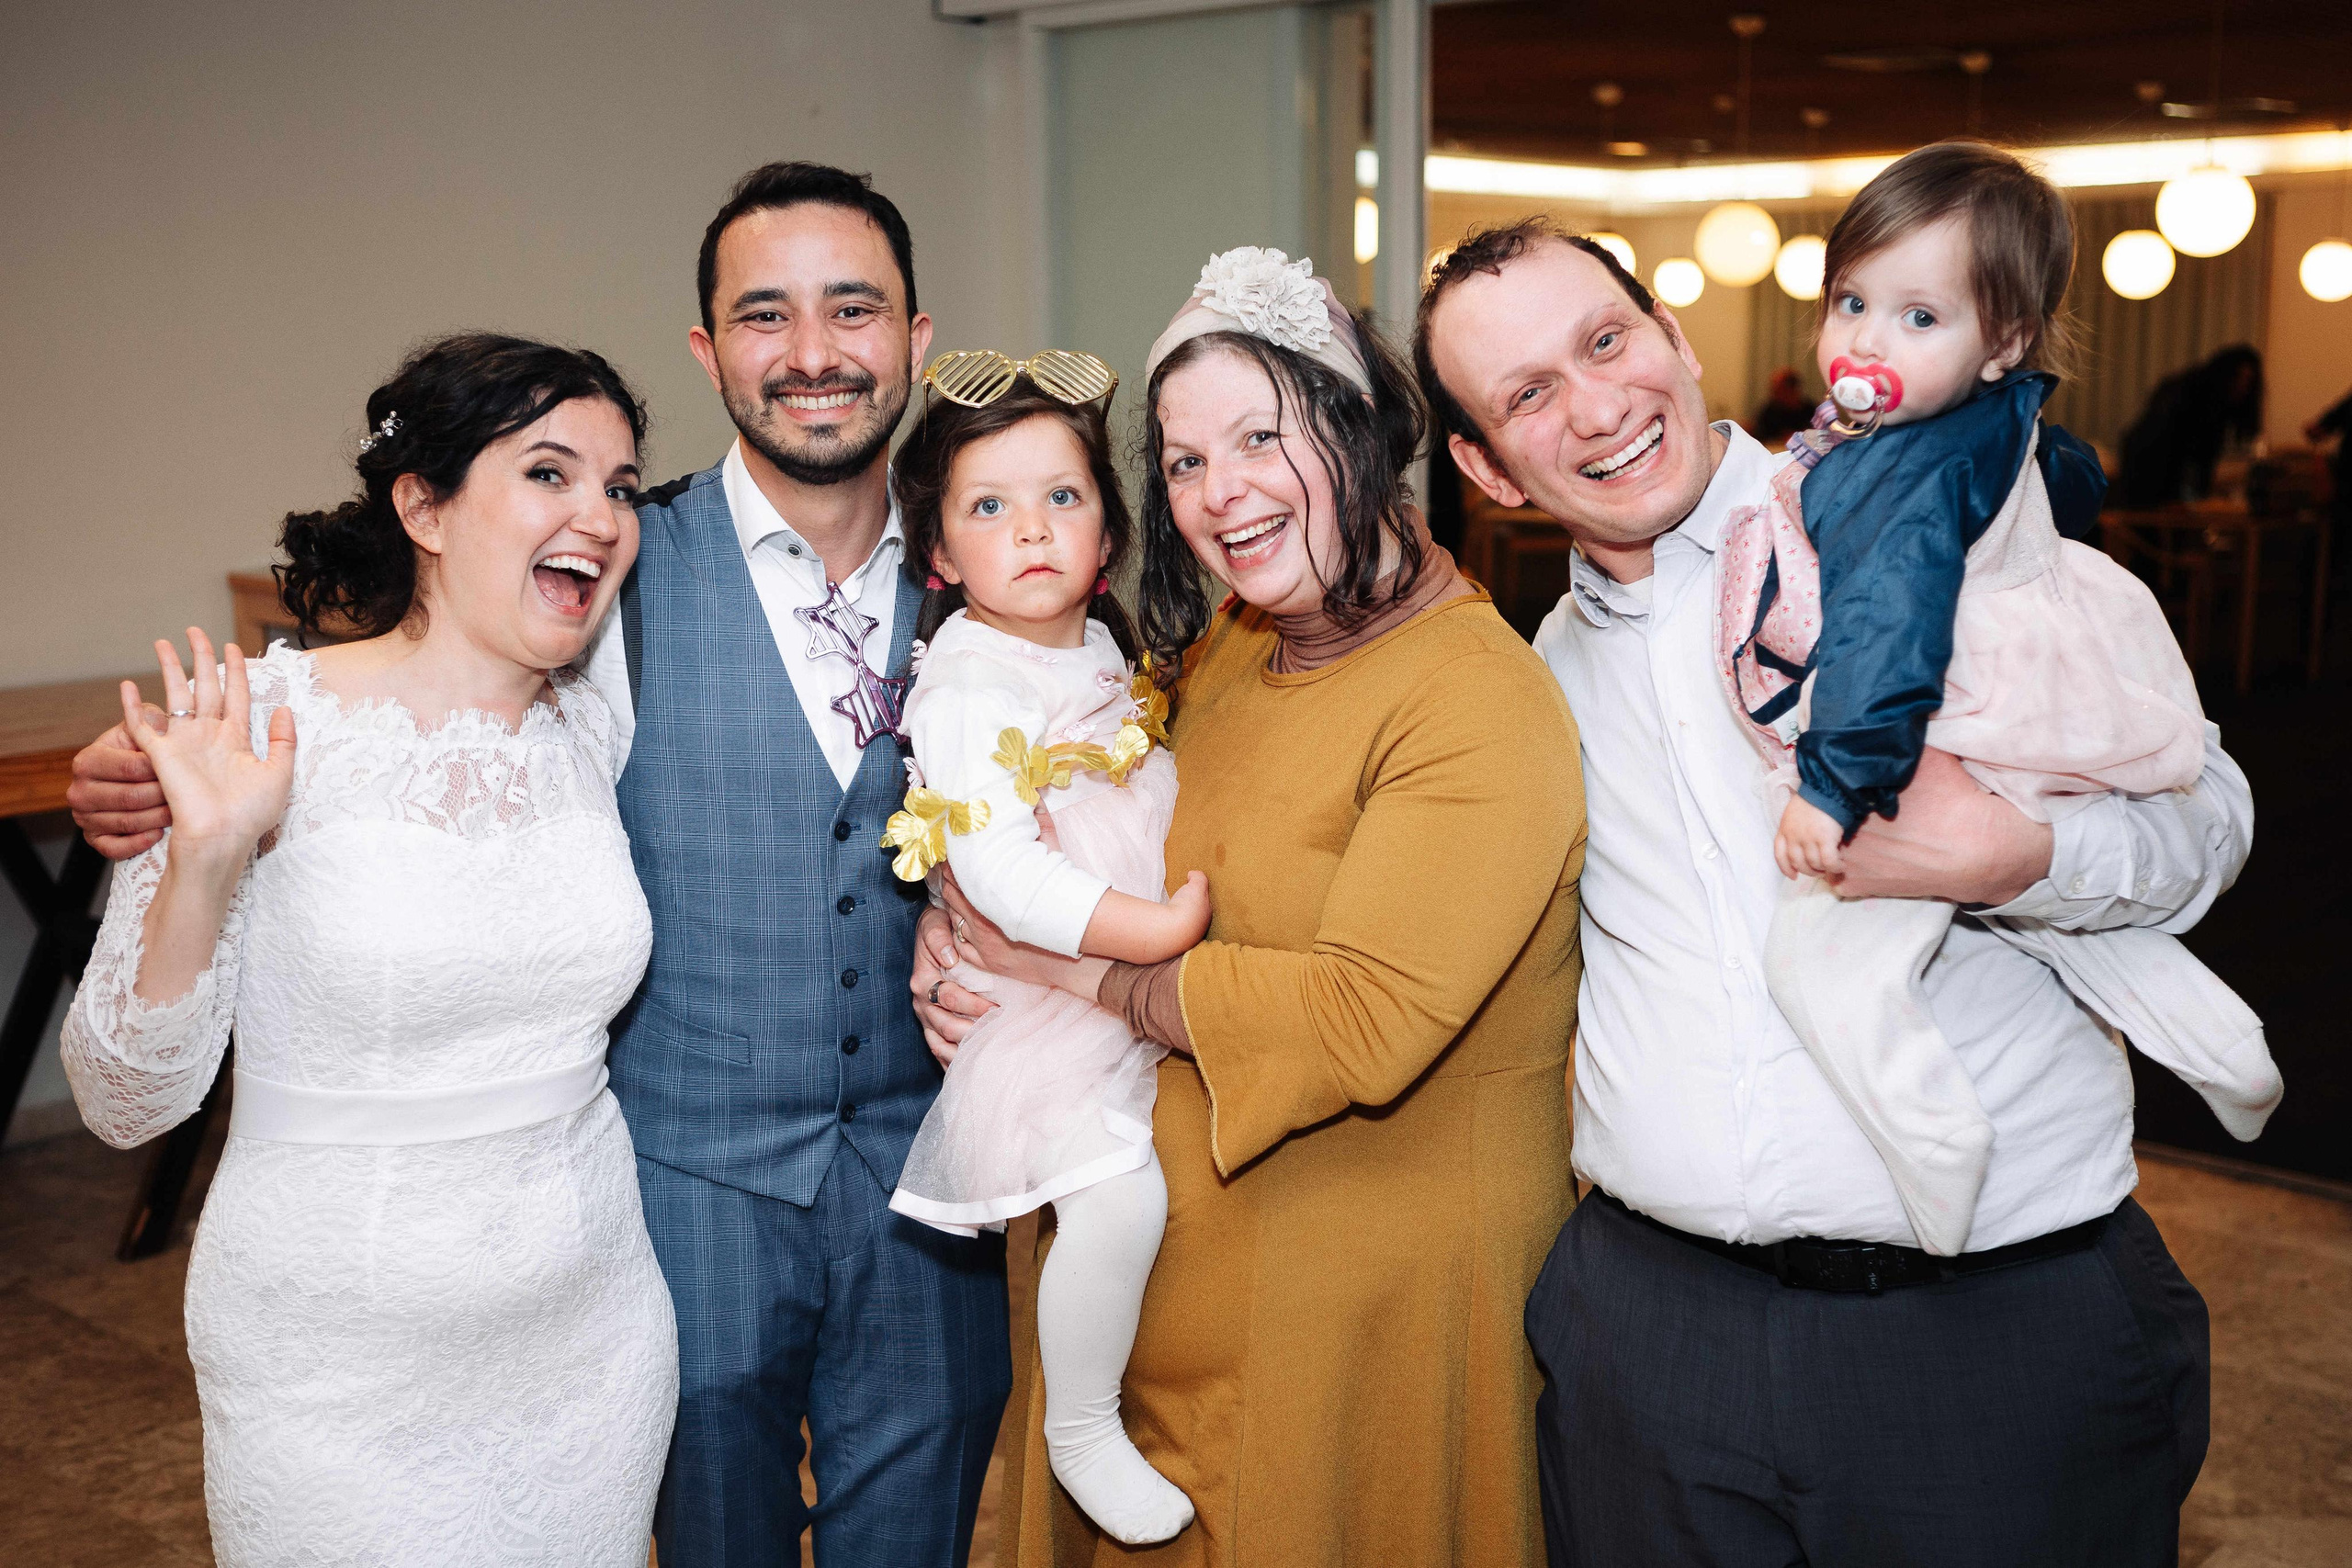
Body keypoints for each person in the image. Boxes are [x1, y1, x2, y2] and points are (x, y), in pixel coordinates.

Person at [67, 164, 1009, 1568]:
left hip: (923, 1184)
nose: (813, 352)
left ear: (916, 339)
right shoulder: (625, 576)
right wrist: (161, 814)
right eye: (766, 314)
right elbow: (401, 700)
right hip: (681, 1202)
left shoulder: (1004, 559)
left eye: (853, 308)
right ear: (713, 352)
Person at [1419, 215, 2246, 1566]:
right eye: (1527, 394)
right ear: (1483, 466)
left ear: (1676, 338)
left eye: (1607, 340)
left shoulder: (1942, 530)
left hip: (1988, 1332)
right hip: (1654, 1343)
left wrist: (2019, 856)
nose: (1595, 406)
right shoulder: (1526, 683)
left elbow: (2210, 819)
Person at [916, 246, 1586, 1568]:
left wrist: (1076, 977)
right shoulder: (1226, 647)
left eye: (1259, 437)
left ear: (1360, 425)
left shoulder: (1473, 697)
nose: (1222, 493)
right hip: (1156, 1307)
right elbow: (1078, 833)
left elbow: (1361, 1017)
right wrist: (961, 939)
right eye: (1180, 460)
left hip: (1354, 1332)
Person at [60, 333, 679, 1564]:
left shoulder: (594, 723)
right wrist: (207, 854)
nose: (601, 516)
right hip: (334, 1366)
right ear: (424, 505)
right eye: (550, 472)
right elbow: (125, 1098)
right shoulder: (249, 724)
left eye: (619, 485)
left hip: (592, 1339)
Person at [1724, 142, 2277, 1256]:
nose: (1867, 340)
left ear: (2003, 342)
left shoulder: (1899, 474)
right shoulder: (1983, 420)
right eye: (1851, 301)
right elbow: (2069, 477)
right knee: (2039, 919)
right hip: (2052, 692)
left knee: (1823, 960)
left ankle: (1936, 1156)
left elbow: (1885, 629)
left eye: (1918, 318)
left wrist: (1834, 791)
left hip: (1956, 707)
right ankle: (2226, 1049)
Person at [885, 359, 1203, 1545]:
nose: (1031, 529)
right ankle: (1080, 1427)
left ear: (1110, 531)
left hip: (1108, 994)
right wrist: (1157, 935)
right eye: (988, 507)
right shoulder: (971, 676)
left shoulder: (1099, 655)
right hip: (1043, 1010)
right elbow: (1006, 878)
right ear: (938, 557)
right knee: (1119, 1201)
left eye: (1062, 498)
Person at [2118, 342, 2265, 506]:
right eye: (2239, 377)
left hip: (2165, 478)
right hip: (2150, 474)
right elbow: (2165, 448)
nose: (2243, 386)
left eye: (2248, 380)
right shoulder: (2187, 397)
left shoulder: (2216, 406)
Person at [1747, 366, 1813, 450]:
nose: (1773, 392)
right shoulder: (1769, 410)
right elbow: (1759, 436)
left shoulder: (1810, 411)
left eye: (1778, 388)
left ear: (1792, 389)